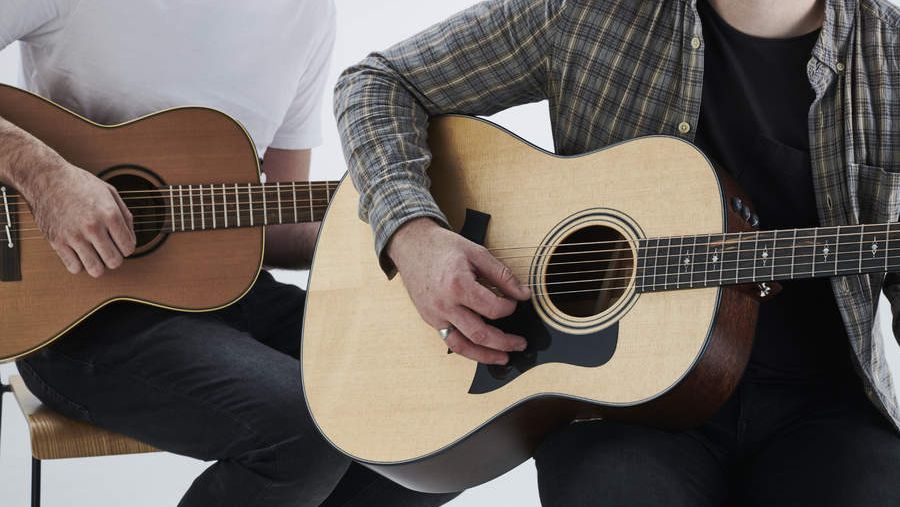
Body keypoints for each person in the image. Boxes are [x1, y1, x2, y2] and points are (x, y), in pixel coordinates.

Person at [334, 0, 900, 505]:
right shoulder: (586, 12)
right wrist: (413, 233)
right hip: (616, 412)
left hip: (825, 411)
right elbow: (376, 84)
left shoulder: (890, 54)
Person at [0, 1, 458, 506]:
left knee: (441, 423)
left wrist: (408, 226)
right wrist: (44, 177)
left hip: (231, 295)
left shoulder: (304, 14)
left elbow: (283, 225)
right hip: (78, 315)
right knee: (299, 429)